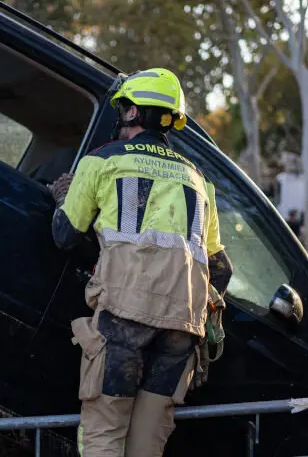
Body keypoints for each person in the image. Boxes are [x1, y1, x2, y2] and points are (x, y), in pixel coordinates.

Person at [50, 68, 235, 457]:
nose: (119, 117)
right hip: (181, 330)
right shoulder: (198, 179)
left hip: (123, 319)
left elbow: (65, 235)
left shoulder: (101, 161)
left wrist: (63, 200)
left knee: (104, 433)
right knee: (147, 443)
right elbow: (221, 269)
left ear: (134, 113)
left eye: (123, 109)